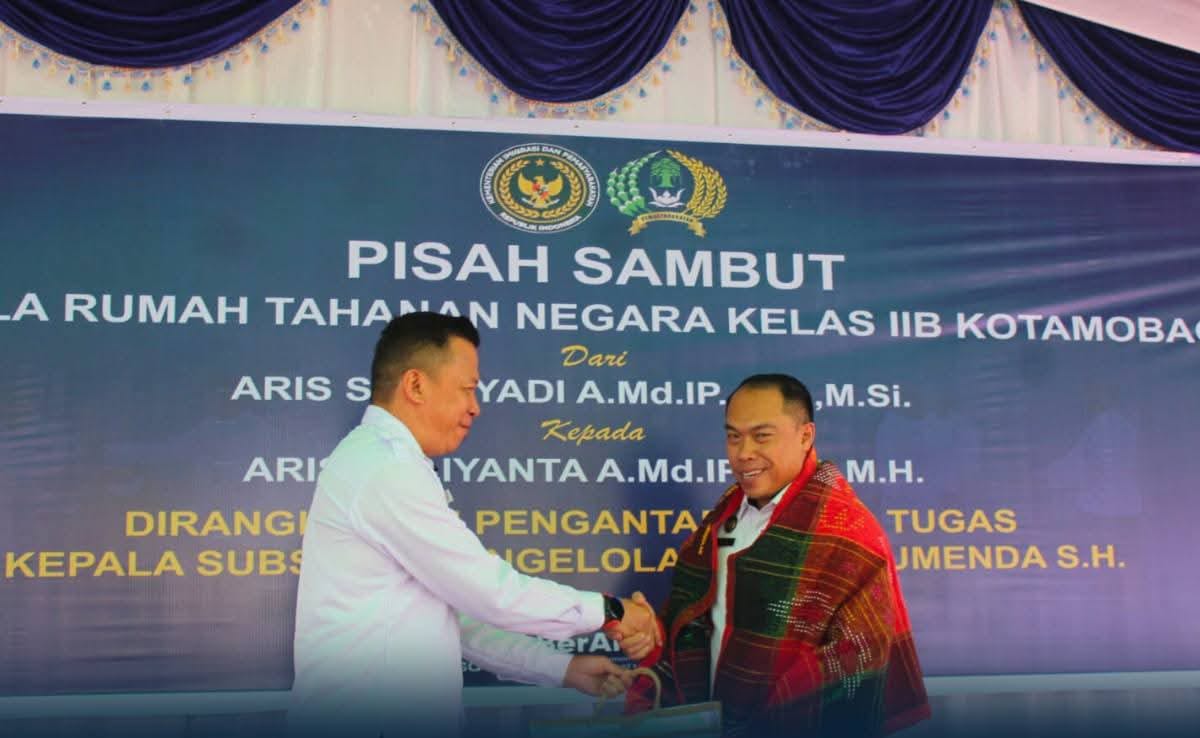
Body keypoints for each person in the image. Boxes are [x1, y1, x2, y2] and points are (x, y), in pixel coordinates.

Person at [289, 312, 656, 737]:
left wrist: (563, 668)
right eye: (467, 389)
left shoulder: (386, 462)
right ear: (415, 385)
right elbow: (491, 593)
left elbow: (456, 618)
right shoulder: (386, 468)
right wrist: (610, 611)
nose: (475, 407)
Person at [620, 374, 930, 737]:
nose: (743, 453)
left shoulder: (848, 532)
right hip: (709, 722)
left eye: (761, 435)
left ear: (805, 436)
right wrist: (653, 633)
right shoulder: (722, 518)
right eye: (733, 436)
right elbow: (697, 623)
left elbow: (861, 654)